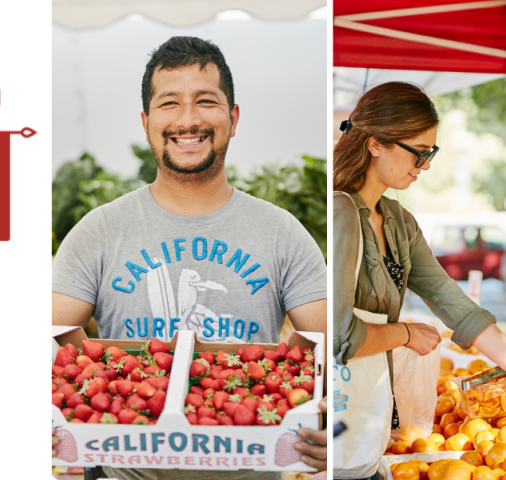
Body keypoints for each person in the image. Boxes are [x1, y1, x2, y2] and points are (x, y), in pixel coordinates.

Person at [51, 36, 329, 480]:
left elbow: (328, 351)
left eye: (206, 101)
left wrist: (329, 419)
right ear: (146, 123)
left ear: (233, 118)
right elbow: (48, 341)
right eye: (169, 104)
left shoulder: (281, 233)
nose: (188, 119)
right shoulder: (99, 230)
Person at [330, 82, 506, 479]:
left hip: (370, 419)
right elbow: (338, 337)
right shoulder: (341, 214)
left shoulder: (400, 223)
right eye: (419, 152)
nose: (426, 165)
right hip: (338, 422)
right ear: (375, 144)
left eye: (431, 152)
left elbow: (460, 309)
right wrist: (405, 334)